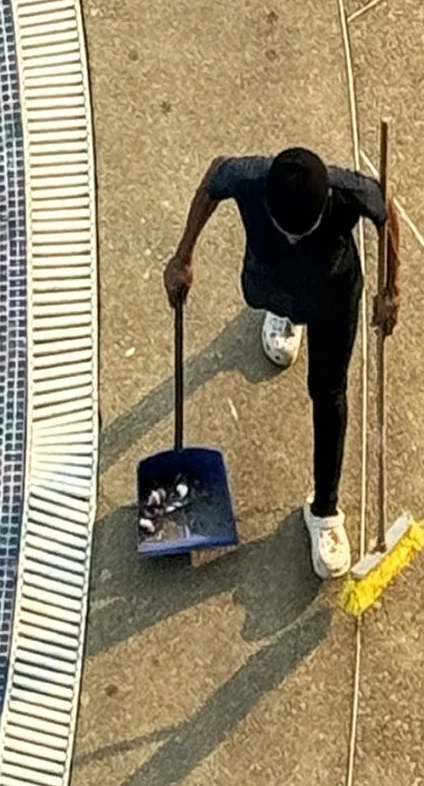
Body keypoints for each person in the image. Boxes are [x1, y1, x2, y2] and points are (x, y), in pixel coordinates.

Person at [165, 139, 400, 583]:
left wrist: (391, 288)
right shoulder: (248, 176)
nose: (292, 236)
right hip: (270, 281)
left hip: (333, 296)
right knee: (272, 296)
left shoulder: (348, 190)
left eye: (301, 231)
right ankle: (286, 315)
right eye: (284, 227)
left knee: (329, 392)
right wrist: (183, 255)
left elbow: (386, 210)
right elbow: (213, 177)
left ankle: (325, 511)